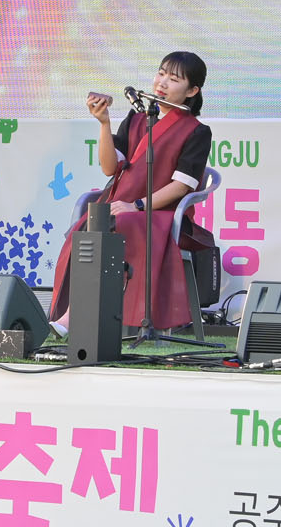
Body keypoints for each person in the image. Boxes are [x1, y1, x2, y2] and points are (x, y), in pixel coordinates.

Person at [49, 51, 215, 331]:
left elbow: (181, 186)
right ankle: (81, 315)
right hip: (121, 207)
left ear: (192, 91)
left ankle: (74, 316)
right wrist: (104, 124)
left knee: (115, 223)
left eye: (174, 79)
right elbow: (109, 167)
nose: (162, 82)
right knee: (93, 224)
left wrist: (137, 206)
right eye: (161, 73)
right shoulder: (138, 118)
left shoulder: (197, 131)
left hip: (161, 215)